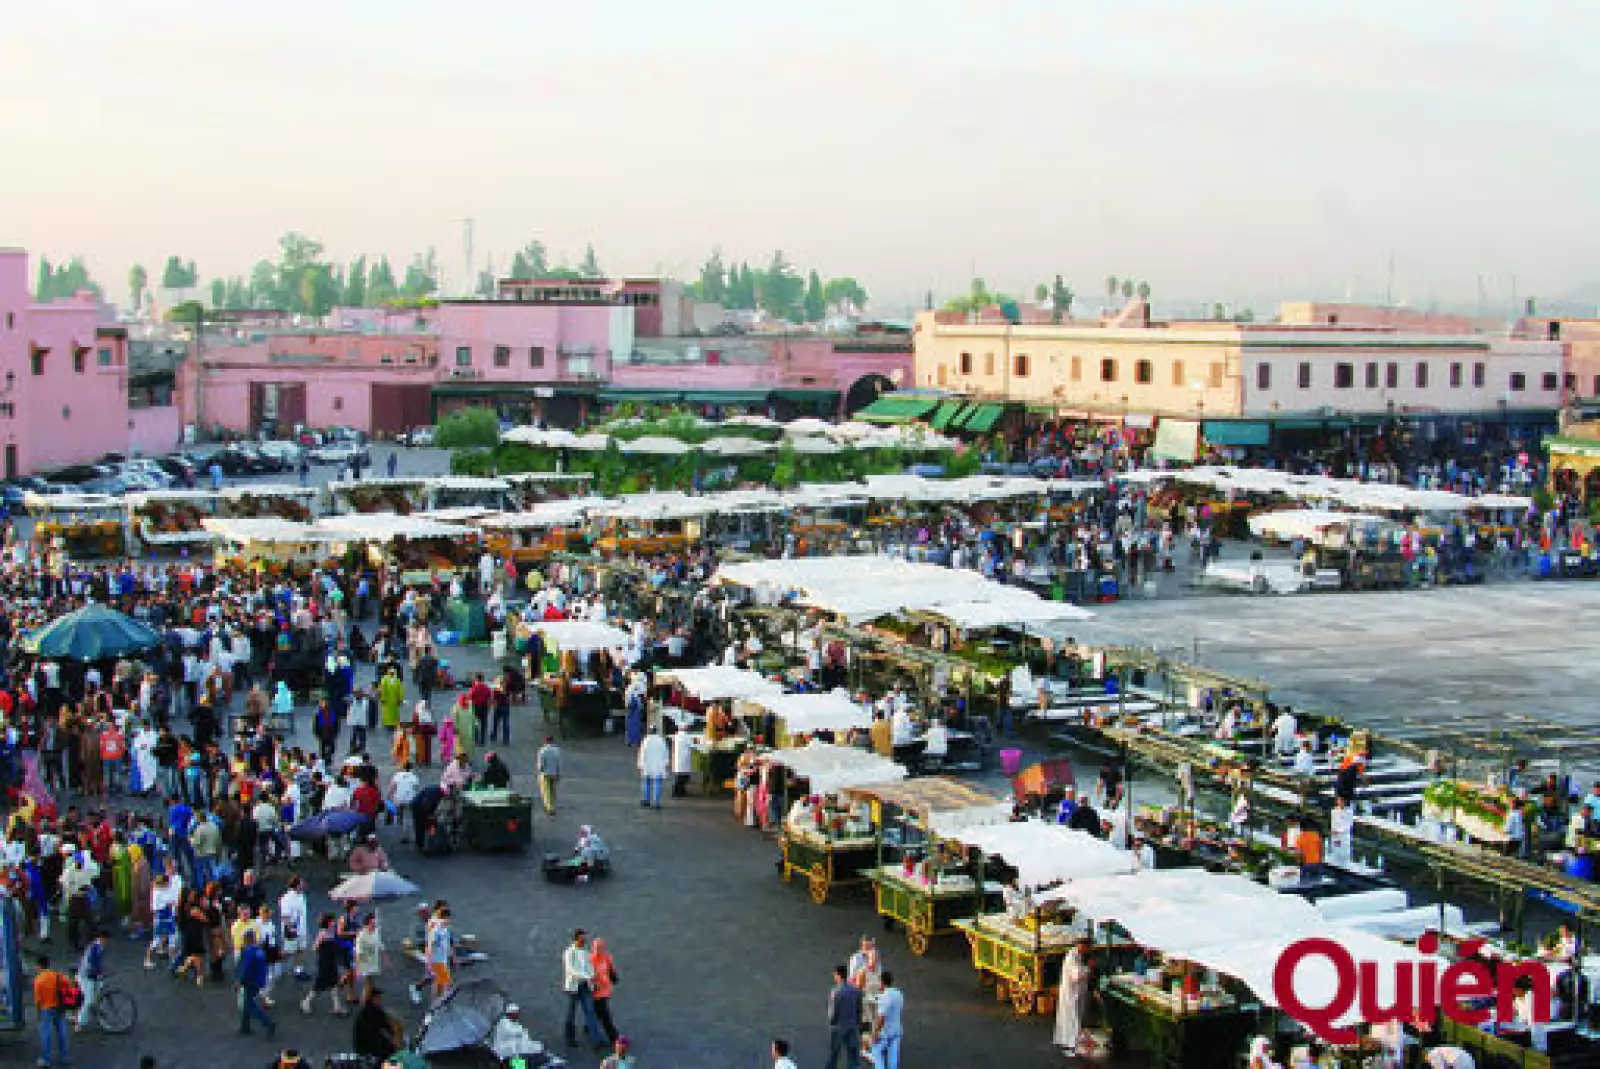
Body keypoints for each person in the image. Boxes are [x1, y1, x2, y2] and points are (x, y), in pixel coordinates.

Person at [562, 929, 606, 1050]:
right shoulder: (569, 952)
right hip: (573, 987)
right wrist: (587, 976)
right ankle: (570, 1038)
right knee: (571, 1014)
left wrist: (592, 977)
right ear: (576, 939)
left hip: (585, 986)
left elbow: (590, 967)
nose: (585, 940)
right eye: (582, 938)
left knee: (590, 1012)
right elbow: (571, 970)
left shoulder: (585, 952)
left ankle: (596, 1040)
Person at [236, 928, 277, 1037]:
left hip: (250, 981)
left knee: (249, 1005)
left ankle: (268, 1022)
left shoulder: (247, 951)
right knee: (247, 1002)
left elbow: (245, 968)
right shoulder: (259, 951)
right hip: (259, 980)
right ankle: (245, 1026)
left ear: (246, 939)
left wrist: (239, 981)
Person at [1054, 938, 1092, 1055]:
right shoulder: (1072, 957)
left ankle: (1071, 1041)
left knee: (1074, 1017)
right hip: (1071, 993)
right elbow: (1076, 975)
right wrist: (1088, 968)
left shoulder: (1078, 956)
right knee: (1072, 1017)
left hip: (1076, 992)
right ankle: (1071, 1043)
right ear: (1080, 946)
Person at [34, 954, 71, 1067]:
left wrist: (37, 1015)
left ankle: (46, 1059)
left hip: (46, 1008)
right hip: (59, 1007)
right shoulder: (57, 975)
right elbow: (68, 984)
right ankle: (65, 1056)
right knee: (62, 1032)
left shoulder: (38, 980)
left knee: (46, 1034)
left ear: (39, 966)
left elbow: (38, 1001)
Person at [826, 963, 863, 1069]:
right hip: (852, 1026)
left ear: (838, 975)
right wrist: (858, 1024)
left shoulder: (836, 991)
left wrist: (831, 1022)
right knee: (853, 1054)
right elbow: (859, 1010)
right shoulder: (856, 991)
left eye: (835, 974)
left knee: (834, 1054)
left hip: (839, 1027)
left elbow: (833, 1012)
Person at [352, 985, 401, 1061]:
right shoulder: (370, 1013)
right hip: (368, 1048)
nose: (381, 999)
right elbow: (377, 1033)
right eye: (378, 997)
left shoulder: (375, 1010)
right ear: (373, 999)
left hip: (369, 1044)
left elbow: (386, 1027)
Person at [869, 970, 904, 1069]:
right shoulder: (899, 994)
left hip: (885, 1032)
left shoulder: (884, 998)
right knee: (894, 1058)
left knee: (876, 1052)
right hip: (896, 1030)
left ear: (882, 982)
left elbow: (881, 1018)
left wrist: (874, 1034)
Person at [590, 936, 620, 1043]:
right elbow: (588, 976)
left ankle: (589, 1026)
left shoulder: (607, 957)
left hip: (605, 990)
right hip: (596, 993)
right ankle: (614, 1037)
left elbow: (610, 969)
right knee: (605, 1015)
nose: (600, 950)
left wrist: (614, 977)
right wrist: (593, 984)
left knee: (598, 1012)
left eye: (601, 947)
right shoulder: (590, 960)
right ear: (593, 948)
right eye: (597, 948)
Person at [638, 726, 669, 809]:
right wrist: (666, 763)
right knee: (657, 783)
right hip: (658, 765)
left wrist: (640, 764)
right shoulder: (661, 740)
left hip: (647, 764)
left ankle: (646, 800)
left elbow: (642, 753)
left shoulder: (646, 740)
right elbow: (665, 752)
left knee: (646, 782)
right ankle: (657, 802)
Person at [537, 736, 562, 816]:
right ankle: (553, 804)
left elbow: (541, 765)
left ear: (545, 741)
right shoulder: (557, 750)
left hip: (545, 774)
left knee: (546, 791)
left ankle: (549, 807)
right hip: (554, 773)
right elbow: (559, 763)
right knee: (553, 790)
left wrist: (539, 772)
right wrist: (559, 773)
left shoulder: (542, 750)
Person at [671, 727, 693, 797]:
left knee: (679, 777)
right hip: (684, 759)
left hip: (678, 759)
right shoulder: (686, 736)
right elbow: (692, 745)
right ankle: (679, 791)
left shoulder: (676, 736)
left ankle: (679, 791)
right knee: (682, 778)